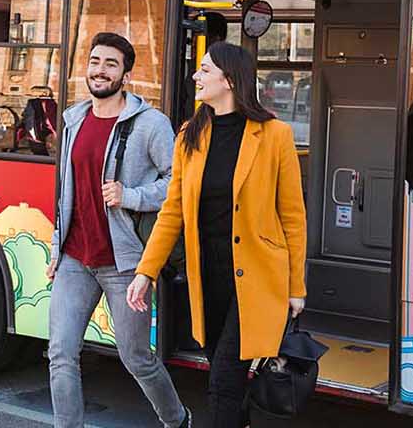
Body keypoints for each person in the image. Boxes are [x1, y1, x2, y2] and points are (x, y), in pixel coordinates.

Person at [127, 41, 308, 428]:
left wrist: (296, 288)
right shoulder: (190, 135)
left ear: (229, 79)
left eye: (205, 69)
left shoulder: (275, 135)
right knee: (227, 377)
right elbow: (172, 211)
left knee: (223, 380)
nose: (196, 75)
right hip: (207, 279)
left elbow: (293, 216)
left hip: (258, 280)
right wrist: (146, 272)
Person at [47, 33, 189, 428]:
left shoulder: (151, 124)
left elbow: (177, 182)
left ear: (125, 74)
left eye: (111, 63)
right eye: (95, 61)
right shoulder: (74, 120)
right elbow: (65, 192)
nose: (100, 70)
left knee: (136, 358)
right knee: (60, 352)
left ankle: (177, 419)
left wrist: (131, 195)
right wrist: (57, 249)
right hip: (76, 258)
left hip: (124, 263)